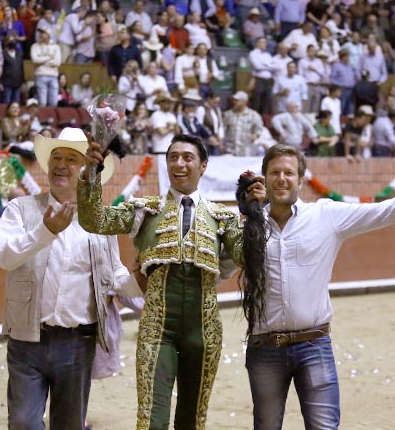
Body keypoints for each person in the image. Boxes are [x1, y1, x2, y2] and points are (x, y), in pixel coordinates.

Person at [243, 143, 395, 430]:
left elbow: (384, 211)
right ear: (263, 178)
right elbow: (224, 266)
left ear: (301, 180)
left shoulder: (325, 215)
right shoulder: (249, 226)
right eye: (274, 172)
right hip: (265, 348)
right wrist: (244, 218)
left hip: (313, 344)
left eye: (289, 173)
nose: (281, 178)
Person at [78, 133, 266, 430]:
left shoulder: (221, 216)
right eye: (173, 157)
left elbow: (249, 258)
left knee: (192, 419)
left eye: (187, 157)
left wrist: (253, 214)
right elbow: (94, 221)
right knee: (151, 419)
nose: (179, 164)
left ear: (203, 165)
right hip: (157, 328)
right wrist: (91, 173)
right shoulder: (145, 208)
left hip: (203, 331)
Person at [0, 127, 143, 430]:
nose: (61, 165)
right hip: (28, 338)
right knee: (22, 422)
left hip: (77, 342)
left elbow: (113, 273)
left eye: (71, 159)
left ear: (88, 168)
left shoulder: (99, 220)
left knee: (69, 425)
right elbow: (5, 257)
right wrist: (45, 231)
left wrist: (138, 282)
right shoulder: (21, 208)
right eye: (56, 157)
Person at [31, 24, 61, 107]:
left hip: (53, 76)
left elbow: (57, 62)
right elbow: (35, 60)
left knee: (54, 103)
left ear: (48, 35)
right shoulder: (35, 46)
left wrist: (42, 60)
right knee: (42, 103)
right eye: (40, 33)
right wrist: (49, 57)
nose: (40, 35)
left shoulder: (56, 47)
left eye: (43, 33)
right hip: (40, 75)